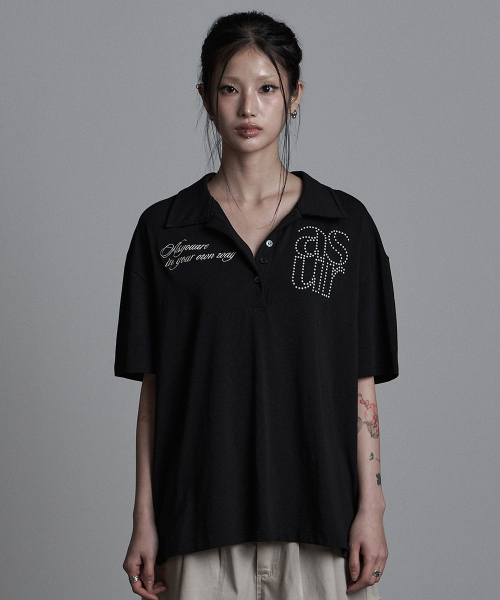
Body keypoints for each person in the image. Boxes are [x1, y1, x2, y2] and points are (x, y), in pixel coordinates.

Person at [115, 10, 398, 600]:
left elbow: (361, 383)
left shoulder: (345, 225)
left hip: (321, 524)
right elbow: (153, 395)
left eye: (268, 88)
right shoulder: (162, 230)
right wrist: (145, 519)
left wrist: (371, 508)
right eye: (230, 89)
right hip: (197, 525)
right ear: (205, 97)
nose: (249, 107)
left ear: (294, 97)